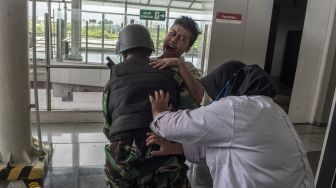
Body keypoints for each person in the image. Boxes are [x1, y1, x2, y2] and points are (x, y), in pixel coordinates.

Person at [146, 61, 315, 188]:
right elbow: (223, 144)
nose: (212, 100)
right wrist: (176, 148)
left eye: (214, 94)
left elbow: (177, 125)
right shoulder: (268, 108)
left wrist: (160, 114)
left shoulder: (237, 108)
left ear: (228, 87)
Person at [102, 24, 190, 188]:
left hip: (124, 163)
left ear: (122, 51)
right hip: (166, 157)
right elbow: (189, 116)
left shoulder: (112, 82)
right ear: (149, 49)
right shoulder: (172, 75)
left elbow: (108, 129)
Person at [149, 16, 212, 188]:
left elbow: (199, 97)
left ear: (187, 48)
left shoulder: (190, 69)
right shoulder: (151, 63)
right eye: (173, 33)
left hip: (176, 135)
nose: (174, 40)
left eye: (182, 39)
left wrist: (179, 64)